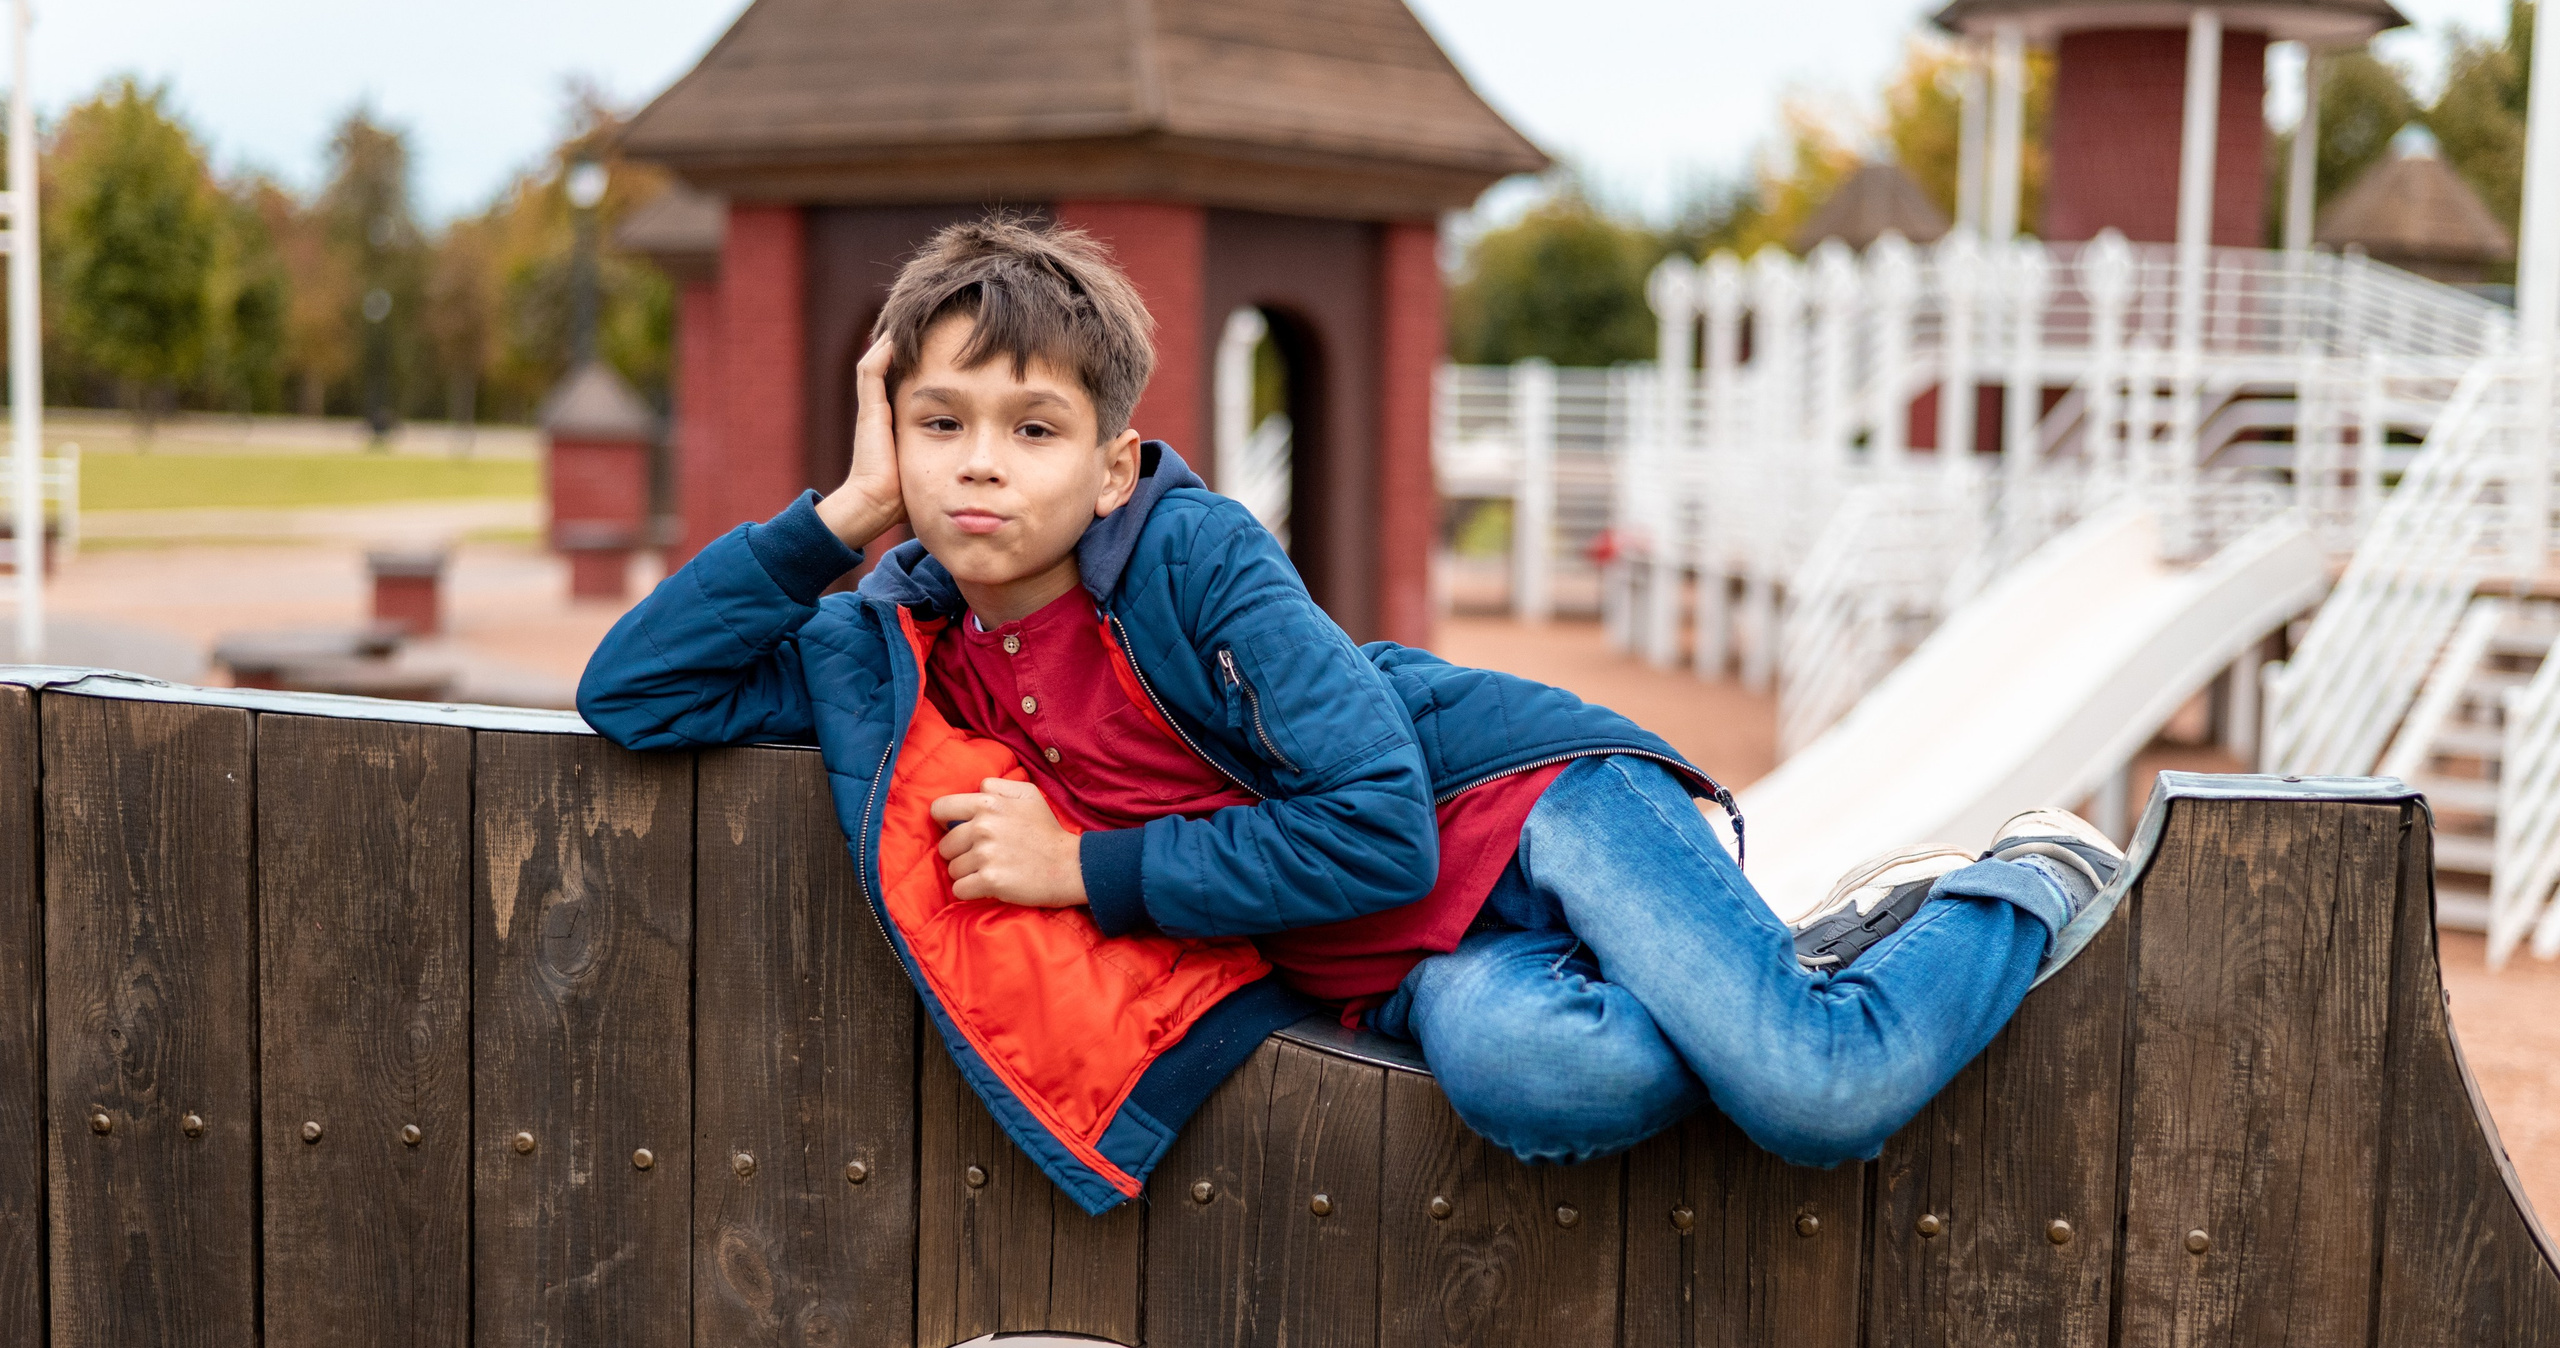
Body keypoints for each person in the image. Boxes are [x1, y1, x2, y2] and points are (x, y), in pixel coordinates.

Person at [577, 216, 2123, 1216]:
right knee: (1559, 1084)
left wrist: (1085, 870)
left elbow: (1379, 829)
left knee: (1814, 1091)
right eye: (940, 426)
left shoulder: (1196, 557)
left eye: (1033, 428)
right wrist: (844, 506)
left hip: (1527, 814)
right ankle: (1775, 959)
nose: (981, 464)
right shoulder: (899, 640)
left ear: (1114, 464)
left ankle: (1999, 885)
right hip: (1416, 962)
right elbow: (636, 693)